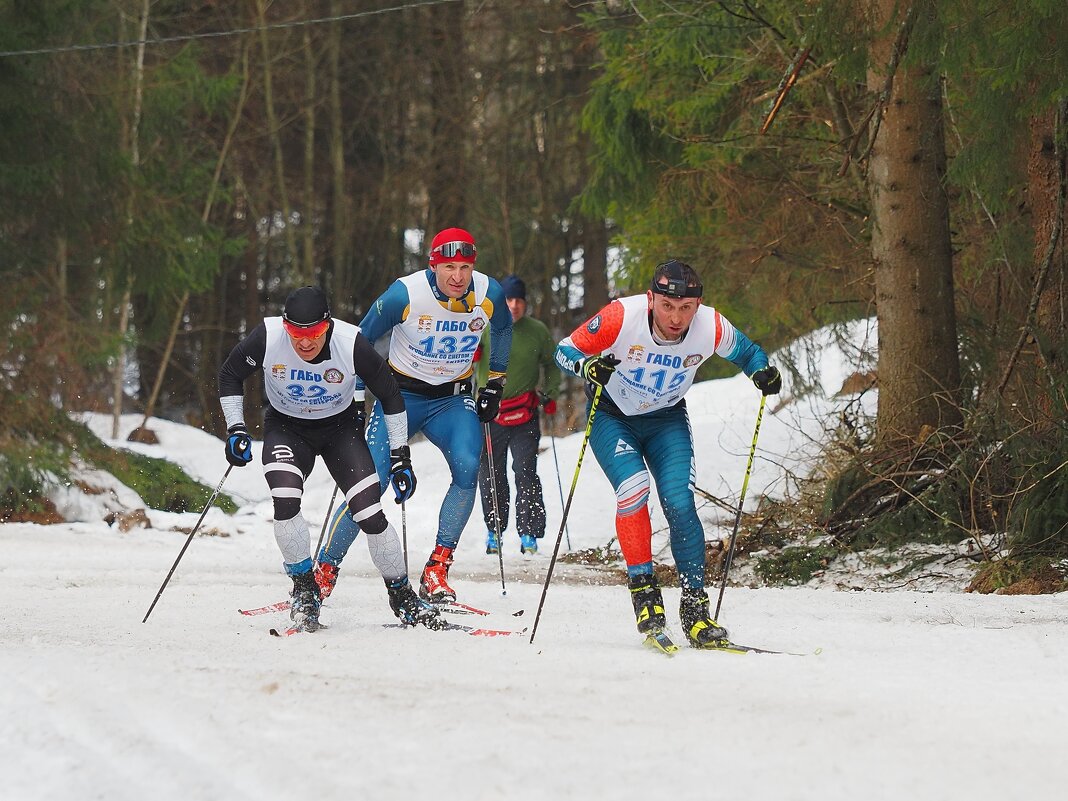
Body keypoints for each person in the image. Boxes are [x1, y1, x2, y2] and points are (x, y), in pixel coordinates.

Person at [554, 260, 782, 648]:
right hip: (613, 416)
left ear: (698, 305)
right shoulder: (621, 317)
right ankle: (646, 597)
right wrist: (588, 365)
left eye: (685, 308)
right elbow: (564, 350)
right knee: (634, 488)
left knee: (679, 501)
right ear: (651, 299)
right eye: (667, 306)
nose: (676, 318)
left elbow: (747, 352)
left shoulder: (711, 326)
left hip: (666, 419)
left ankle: (695, 609)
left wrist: (762, 371)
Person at [217, 286, 442, 632]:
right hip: (287, 428)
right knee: (285, 497)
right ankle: (305, 589)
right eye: (297, 334)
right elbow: (229, 374)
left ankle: (402, 595)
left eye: (315, 334)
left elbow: (391, 395)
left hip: (339, 432)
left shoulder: (351, 342)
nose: (305, 343)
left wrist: (400, 456)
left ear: (329, 325)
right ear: (285, 326)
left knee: (369, 512)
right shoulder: (268, 335)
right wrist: (235, 428)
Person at [317, 228, 512, 604]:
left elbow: (503, 328)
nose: (458, 276)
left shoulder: (489, 292)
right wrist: (355, 397)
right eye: (449, 267)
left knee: (469, 467)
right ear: (433, 265)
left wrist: (495, 384)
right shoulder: (405, 293)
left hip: (452, 401)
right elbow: (359, 339)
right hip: (399, 397)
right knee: (370, 486)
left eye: (465, 267)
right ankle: (325, 569)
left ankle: (437, 568)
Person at [475, 275, 561, 556]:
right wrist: (472, 353)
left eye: (519, 301)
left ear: (525, 304)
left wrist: (550, 394)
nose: (514, 306)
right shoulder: (487, 327)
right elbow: (467, 357)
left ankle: (529, 534)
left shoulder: (537, 331)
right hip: (490, 413)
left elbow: (552, 364)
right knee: (490, 473)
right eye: (509, 300)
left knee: (525, 471)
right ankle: (494, 530)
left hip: (525, 412)